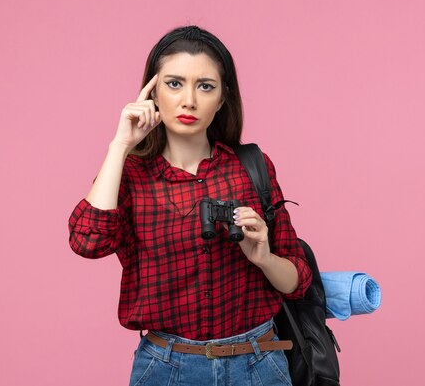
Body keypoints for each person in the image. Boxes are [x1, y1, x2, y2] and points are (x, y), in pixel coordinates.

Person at [67, 25, 313, 386]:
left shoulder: (252, 168)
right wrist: (120, 145)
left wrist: (263, 257)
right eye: (174, 83)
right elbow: (88, 242)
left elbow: (298, 279)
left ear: (223, 97)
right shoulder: (131, 176)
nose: (189, 101)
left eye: (206, 86)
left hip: (258, 363)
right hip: (167, 367)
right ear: (151, 90)